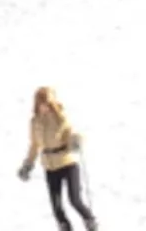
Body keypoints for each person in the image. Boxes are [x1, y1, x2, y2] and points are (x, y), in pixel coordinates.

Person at [18, 86, 98, 231]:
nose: (44, 107)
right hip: (50, 167)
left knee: (74, 200)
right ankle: (65, 227)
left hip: (67, 164)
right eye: (42, 103)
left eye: (47, 103)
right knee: (56, 206)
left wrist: (76, 141)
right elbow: (35, 145)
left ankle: (90, 221)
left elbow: (70, 135)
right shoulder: (34, 122)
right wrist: (28, 164)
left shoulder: (60, 118)